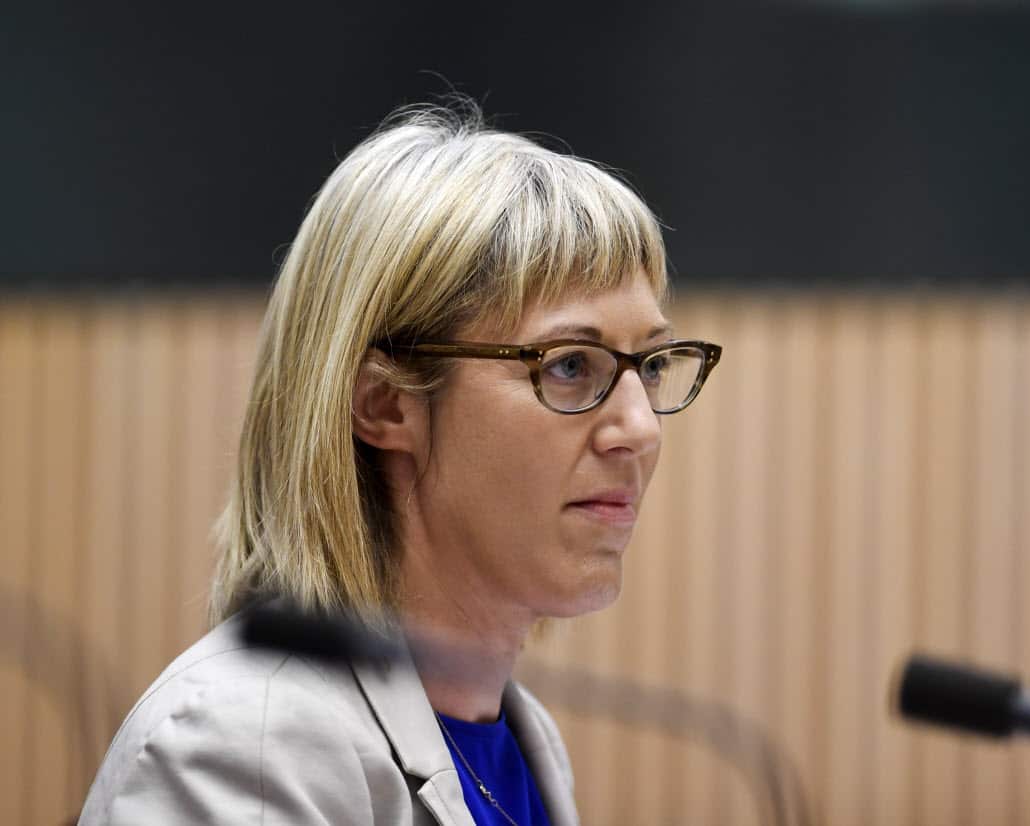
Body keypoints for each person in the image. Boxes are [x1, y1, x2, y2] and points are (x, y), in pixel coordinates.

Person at [79, 103, 721, 825]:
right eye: (570, 363)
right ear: (385, 405)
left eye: (653, 366)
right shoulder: (243, 746)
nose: (638, 428)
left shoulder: (524, 740)